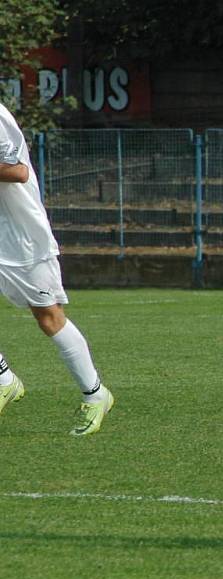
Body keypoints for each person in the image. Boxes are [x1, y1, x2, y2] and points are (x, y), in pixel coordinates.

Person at [0, 101, 115, 436]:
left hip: (21, 238)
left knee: (48, 316)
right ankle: (5, 380)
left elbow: (17, 170)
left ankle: (95, 395)